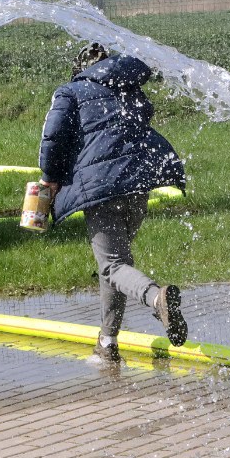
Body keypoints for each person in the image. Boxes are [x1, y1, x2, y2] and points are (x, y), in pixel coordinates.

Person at [38, 43, 188, 364]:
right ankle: (107, 343)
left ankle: (156, 297)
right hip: (140, 182)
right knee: (116, 267)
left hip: (103, 187)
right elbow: (142, 118)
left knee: (113, 265)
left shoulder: (70, 92)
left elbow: (53, 137)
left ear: (80, 68)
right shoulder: (127, 85)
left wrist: (50, 179)